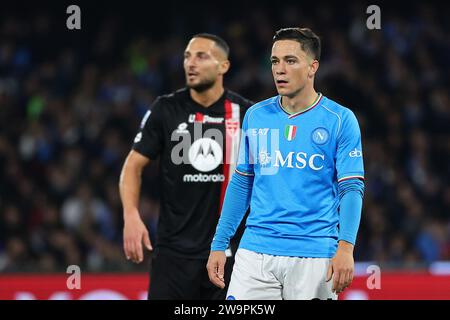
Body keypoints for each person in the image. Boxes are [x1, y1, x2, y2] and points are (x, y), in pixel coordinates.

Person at [207, 27, 365, 300]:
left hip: (314, 255)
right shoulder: (257, 116)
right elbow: (243, 182)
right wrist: (219, 243)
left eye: (290, 61)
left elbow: (351, 189)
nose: (279, 69)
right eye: (275, 61)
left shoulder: (339, 119)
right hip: (255, 253)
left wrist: (346, 247)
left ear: (312, 67)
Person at [119, 33, 253, 300]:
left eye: (201, 56)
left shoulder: (247, 114)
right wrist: (131, 215)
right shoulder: (166, 109)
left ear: (223, 66)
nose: (190, 63)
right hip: (173, 257)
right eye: (187, 56)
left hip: (230, 256)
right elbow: (132, 166)